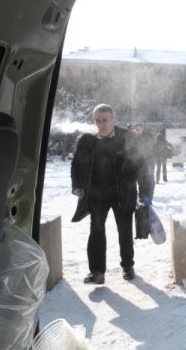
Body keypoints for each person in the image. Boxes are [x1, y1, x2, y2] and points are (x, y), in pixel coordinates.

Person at [71, 104, 149, 284]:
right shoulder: (87, 140)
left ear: (113, 120)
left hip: (123, 193)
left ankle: (128, 266)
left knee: (125, 232)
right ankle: (97, 272)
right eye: (98, 120)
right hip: (97, 195)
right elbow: (76, 165)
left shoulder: (128, 138)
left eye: (105, 120)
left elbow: (141, 165)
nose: (102, 124)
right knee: (96, 231)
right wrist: (77, 185)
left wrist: (144, 193)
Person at [133, 122, 156, 205]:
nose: (137, 130)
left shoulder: (147, 136)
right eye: (136, 129)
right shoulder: (135, 137)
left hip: (149, 159)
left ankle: (148, 199)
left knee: (150, 179)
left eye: (139, 128)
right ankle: (143, 199)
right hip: (140, 161)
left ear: (143, 128)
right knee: (142, 180)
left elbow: (150, 147)